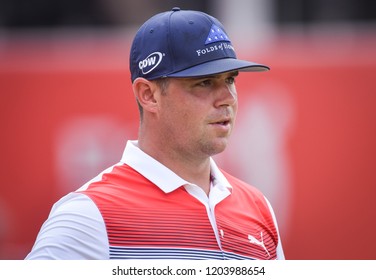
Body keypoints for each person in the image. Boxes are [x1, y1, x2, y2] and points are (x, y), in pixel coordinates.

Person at [26, 7, 285, 260]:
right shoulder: (87, 216)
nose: (227, 98)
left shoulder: (258, 208)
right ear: (148, 95)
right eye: (205, 82)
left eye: (230, 79)